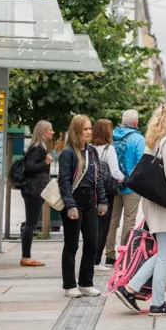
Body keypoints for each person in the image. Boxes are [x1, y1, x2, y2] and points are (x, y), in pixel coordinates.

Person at [114, 102, 166, 317]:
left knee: (165, 253)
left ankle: (130, 288)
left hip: (156, 202)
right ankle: (156, 303)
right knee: (165, 254)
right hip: (164, 204)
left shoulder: (156, 138)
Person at [58, 115, 108, 298]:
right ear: (76, 131)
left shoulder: (92, 151)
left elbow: (98, 178)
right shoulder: (68, 153)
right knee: (71, 245)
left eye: (90, 128)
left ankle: (86, 282)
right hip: (74, 202)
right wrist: (70, 205)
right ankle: (69, 285)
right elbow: (64, 181)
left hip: (90, 203)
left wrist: (102, 200)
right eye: (85, 129)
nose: (89, 132)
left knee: (92, 243)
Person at [105, 110, 146, 267]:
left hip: (113, 184)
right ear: (135, 123)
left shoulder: (112, 136)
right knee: (129, 220)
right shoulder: (138, 139)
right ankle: (124, 254)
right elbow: (141, 163)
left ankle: (109, 255)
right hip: (131, 186)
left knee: (112, 220)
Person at [19, 120, 53, 268]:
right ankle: (26, 257)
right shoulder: (38, 148)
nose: (52, 132)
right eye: (50, 129)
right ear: (43, 132)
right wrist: (46, 162)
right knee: (31, 224)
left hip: (33, 189)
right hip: (33, 190)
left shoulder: (38, 146)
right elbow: (30, 167)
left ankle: (26, 256)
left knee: (30, 223)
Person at [92, 119, 125, 271]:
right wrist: (123, 178)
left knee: (92, 226)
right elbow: (115, 172)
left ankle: (90, 258)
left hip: (91, 190)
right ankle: (96, 260)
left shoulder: (89, 147)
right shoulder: (109, 149)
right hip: (105, 192)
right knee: (103, 227)